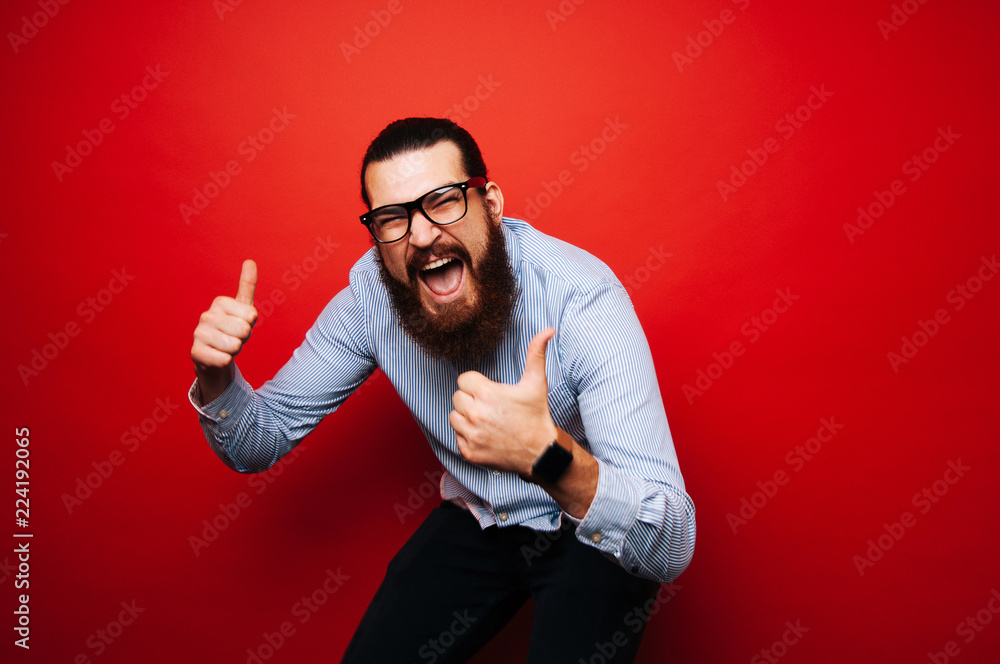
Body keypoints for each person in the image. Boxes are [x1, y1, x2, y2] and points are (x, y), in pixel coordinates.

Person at [188, 117, 696, 663]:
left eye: (444, 201)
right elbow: (254, 442)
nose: (423, 235)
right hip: (480, 514)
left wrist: (545, 457)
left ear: (492, 205)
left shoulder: (583, 298)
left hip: (585, 525)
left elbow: (670, 542)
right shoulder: (371, 302)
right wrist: (216, 375)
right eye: (393, 218)